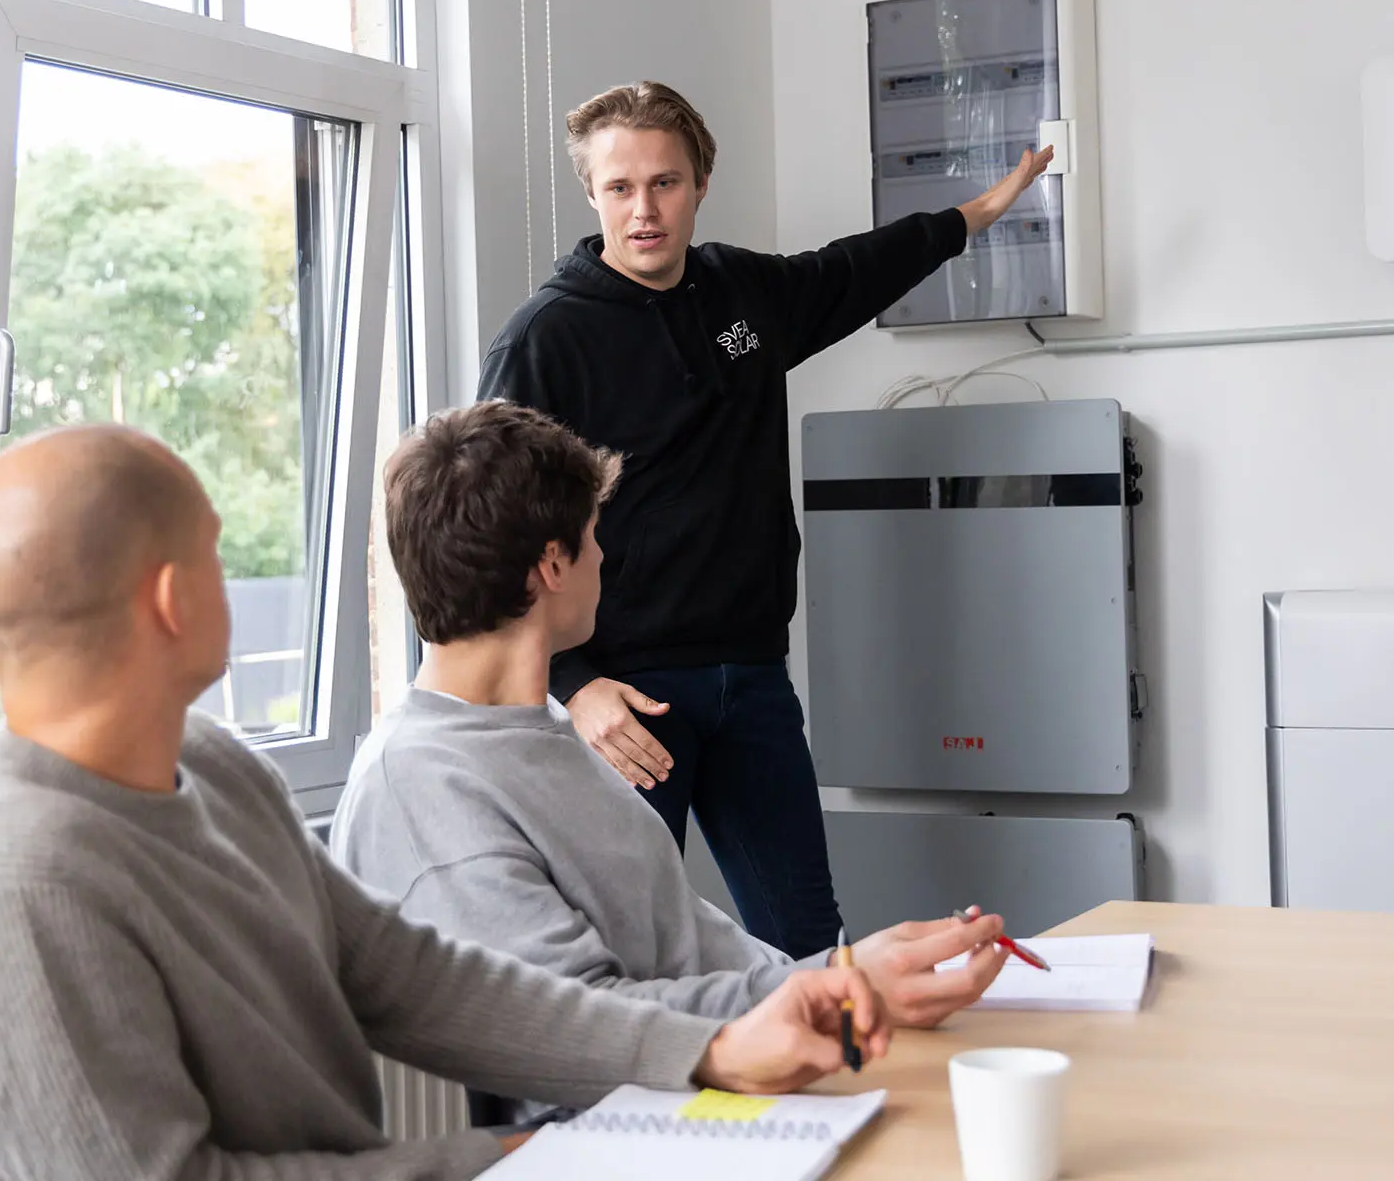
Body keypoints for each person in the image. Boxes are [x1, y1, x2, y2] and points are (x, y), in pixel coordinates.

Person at [0, 423, 893, 1181]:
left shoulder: (208, 762)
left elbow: (410, 977)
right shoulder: (18, 875)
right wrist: (505, 1156)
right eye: (214, 552)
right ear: (172, 599)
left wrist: (712, 1045)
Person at [476, 81, 1053, 959]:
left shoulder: (742, 297)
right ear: (591, 195)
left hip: (752, 682)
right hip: (628, 699)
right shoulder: (545, 341)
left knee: (809, 949)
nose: (644, 211)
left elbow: (859, 267)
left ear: (701, 181)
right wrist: (575, 684)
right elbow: (491, 538)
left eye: (665, 183)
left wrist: (981, 211)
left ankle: (828, 1100)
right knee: (631, 957)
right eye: (621, 188)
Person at [331, 401, 1009, 1036]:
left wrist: (849, 978)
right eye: (595, 537)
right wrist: (836, 986)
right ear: (554, 564)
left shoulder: (545, 736)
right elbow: (580, 1028)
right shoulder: (422, 786)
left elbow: (689, 947)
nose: (605, 557)